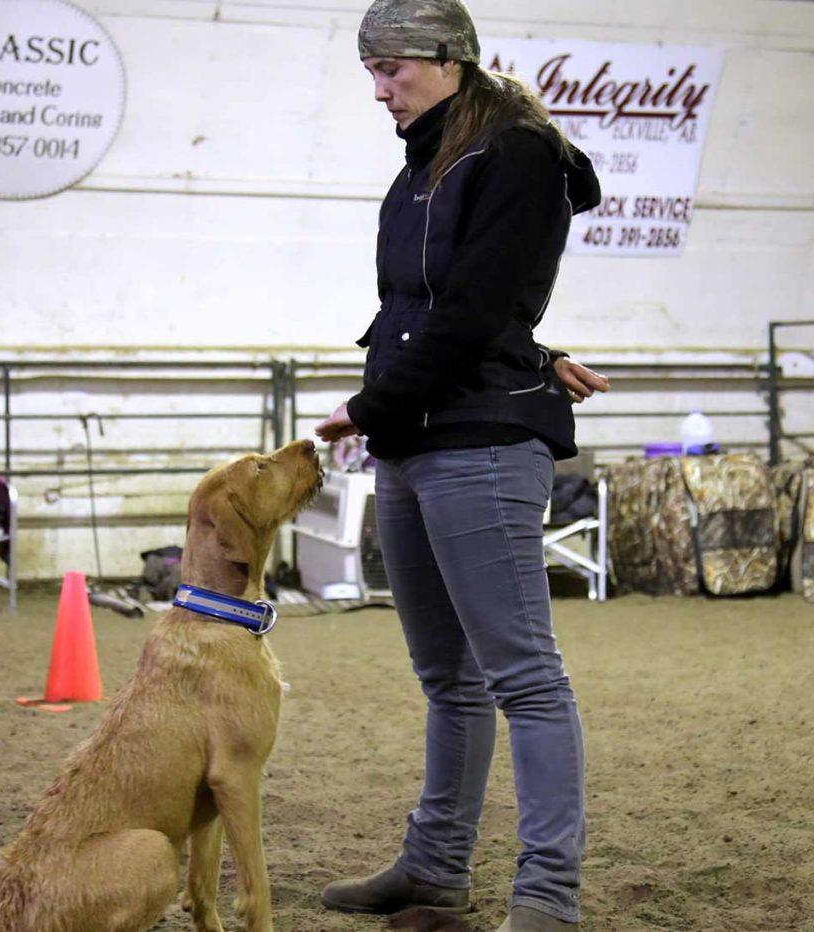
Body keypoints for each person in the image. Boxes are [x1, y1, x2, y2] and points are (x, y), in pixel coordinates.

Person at [314, 2, 610, 930]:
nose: (378, 89)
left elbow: (478, 302)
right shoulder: (427, 163)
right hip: (415, 440)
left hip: (475, 444)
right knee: (449, 678)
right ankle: (437, 867)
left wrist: (367, 407)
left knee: (525, 677)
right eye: (370, 71)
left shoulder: (516, 153)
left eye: (391, 69)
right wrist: (520, 348)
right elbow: (457, 302)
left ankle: (547, 898)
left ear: (448, 61)